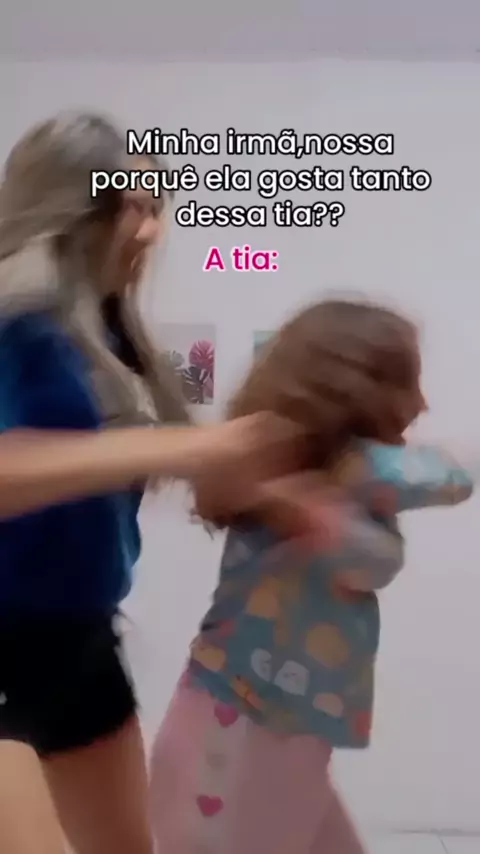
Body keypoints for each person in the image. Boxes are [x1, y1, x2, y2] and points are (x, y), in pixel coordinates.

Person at [0, 112, 310, 854]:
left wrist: (262, 491)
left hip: (81, 645)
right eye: (130, 208)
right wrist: (192, 447)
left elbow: (98, 485)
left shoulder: (107, 340)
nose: (150, 231)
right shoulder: (16, 328)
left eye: (154, 208)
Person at [149, 299, 473, 854]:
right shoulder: (294, 474)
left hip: (268, 732)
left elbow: (428, 500)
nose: (421, 403)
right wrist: (316, 512)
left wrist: (334, 499)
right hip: (241, 736)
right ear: (356, 391)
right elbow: (433, 495)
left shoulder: (337, 476)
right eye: (407, 383)